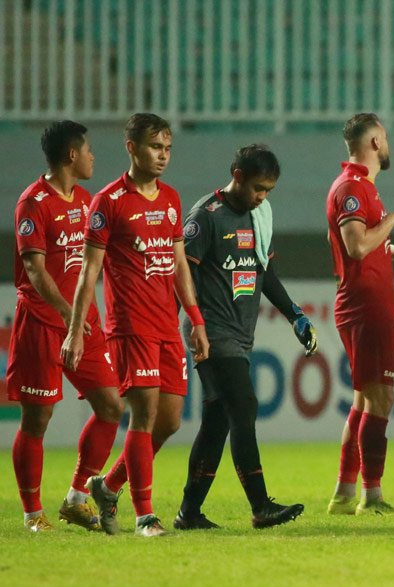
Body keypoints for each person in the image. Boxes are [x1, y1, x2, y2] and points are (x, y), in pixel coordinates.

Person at [62, 113, 209, 537]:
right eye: (154, 147)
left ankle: (107, 487)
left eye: (167, 149)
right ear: (131, 147)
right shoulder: (107, 202)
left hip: (167, 325)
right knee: (142, 416)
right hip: (131, 327)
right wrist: (75, 329)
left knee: (170, 421)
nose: (162, 156)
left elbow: (179, 264)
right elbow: (89, 273)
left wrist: (194, 319)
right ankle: (145, 516)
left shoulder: (171, 199)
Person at [174, 145, 313, 530]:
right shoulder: (206, 217)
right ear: (236, 174)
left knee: (217, 421)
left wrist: (295, 315)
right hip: (211, 330)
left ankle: (189, 512)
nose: (261, 196)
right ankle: (260, 505)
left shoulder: (259, 214)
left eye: (268, 190)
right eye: (257, 188)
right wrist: (181, 327)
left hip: (239, 332)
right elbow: (180, 276)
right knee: (244, 405)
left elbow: (263, 271)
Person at [7, 120, 123, 533]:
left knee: (112, 407)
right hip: (42, 322)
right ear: (71, 155)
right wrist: (66, 315)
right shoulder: (33, 203)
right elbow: (35, 271)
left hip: (85, 326)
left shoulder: (87, 201)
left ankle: (76, 497)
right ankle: (33, 515)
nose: (93, 156)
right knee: (37, 420)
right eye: (89, 150)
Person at [325, 112, 394, 515]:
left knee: (363, 401)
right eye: (383, 138)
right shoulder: (353, 188)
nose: (387, 145)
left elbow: (363, 241)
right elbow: (355, 246)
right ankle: (372, 495)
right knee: (380, 399)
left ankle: (345, 493)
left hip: (363, 301)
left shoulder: (358, 187)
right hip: (366, 305)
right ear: (373, 143)